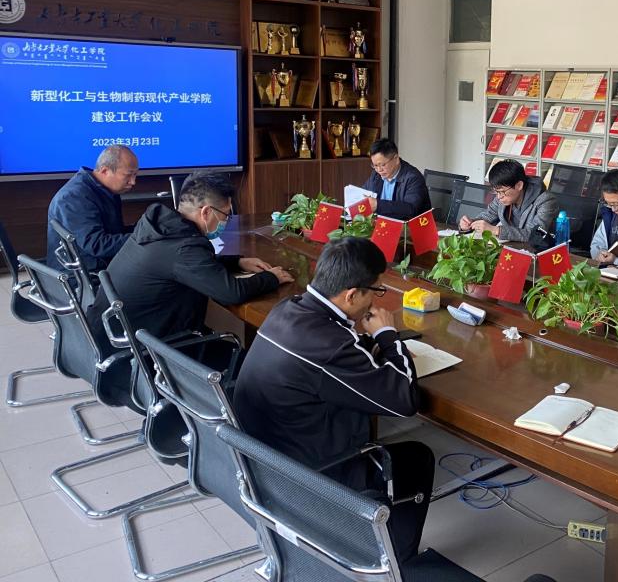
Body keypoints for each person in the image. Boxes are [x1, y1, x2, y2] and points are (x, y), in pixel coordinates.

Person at [232, 236, 431, 563]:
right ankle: (391, 562)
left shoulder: (288, 308)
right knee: (416, 457)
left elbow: (334, 355)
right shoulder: (330, 345)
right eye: (375, 291)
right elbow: (404, 400)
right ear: (352, 294)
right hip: (310, 477)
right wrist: (387, 336)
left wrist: (365, 346)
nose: (375, 300)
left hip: (265, 463)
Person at [88, 170, 292, 346]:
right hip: (147, 354)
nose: (226, 222)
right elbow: (231, 293)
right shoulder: (184, 248)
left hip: (117, 338)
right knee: (251, 365)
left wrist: (237, 261)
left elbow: (190, 263)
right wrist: (272, 277)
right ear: (206, 212)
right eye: (225, 215)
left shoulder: (161, 228)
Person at [46, 145, 138, 273]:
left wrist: (144, 228)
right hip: (84, 275)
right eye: (128, 175)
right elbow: (97, 245)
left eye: (135, 175)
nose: (133, 182)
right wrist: (142, 237)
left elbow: (114, 232)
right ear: (105, 171)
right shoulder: (74, 197)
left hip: (103, 265)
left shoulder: (105, 190)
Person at [459, 159, 558, 243]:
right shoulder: (502, 197)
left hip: (539, 253)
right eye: (496, 191)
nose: (498, 197)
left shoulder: (546, 200)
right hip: (512, 249)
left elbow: (536, 235)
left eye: (502, 192)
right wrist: (470, 223)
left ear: (519, 185)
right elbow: (488, 216)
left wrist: (497, 230)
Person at [361, 138, 431, 221]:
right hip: (382, 224)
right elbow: (364, 194)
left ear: (396, 159)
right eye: (375, 165)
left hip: (409, 226)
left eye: (383, 165)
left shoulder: (413, 178)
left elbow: (411, 209)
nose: (379, 170)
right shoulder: (376, 175)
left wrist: (378, 205)